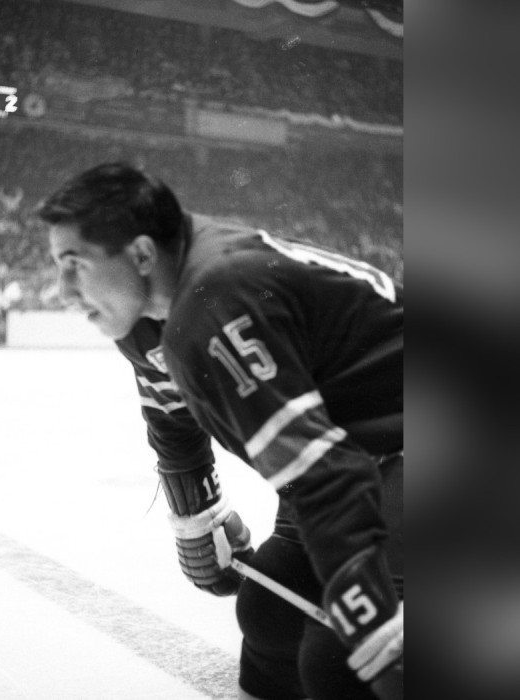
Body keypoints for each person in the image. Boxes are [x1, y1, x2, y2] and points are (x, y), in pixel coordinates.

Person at [38, 162, 403, 700]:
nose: (62, 291)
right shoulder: (155, 313)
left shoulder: (215, 302)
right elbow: (171, 415)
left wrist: (377, 625)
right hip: (360, 453)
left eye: (75, 265)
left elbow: (328, 476)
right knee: (270, 618)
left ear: (142, 255)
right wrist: (197, 515)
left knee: (343, 663)